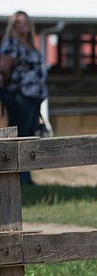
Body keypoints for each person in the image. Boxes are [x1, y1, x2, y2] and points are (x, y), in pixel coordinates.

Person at [1, 11, 48, 184]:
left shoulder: (30, 45)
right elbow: (3, 70)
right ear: (12, 26)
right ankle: (18, 178)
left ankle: (26, 177)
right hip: (20, 96)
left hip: (34, 97)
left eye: (24, 22)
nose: (22, 25)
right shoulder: (11, 44)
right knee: (20, 137)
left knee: (28, 136)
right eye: (17, 22)